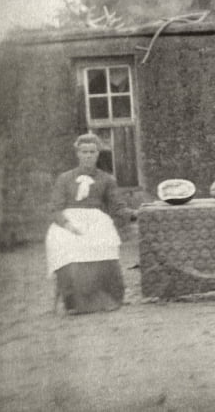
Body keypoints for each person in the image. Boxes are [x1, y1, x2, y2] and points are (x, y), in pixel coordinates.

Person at [45, 133, 136, 314]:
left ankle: (106, 299)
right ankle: (73, 302)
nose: (88, 155)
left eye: (92, 152)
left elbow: (117, 206)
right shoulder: (65, 178)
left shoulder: (106, 179)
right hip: (68, 221)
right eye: (84, 152)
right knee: (64, 244)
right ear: (77, 154)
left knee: (104, 240)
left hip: (96, 222)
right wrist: (67, 225)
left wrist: (135, 214)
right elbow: (55, 208)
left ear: (97, 154)